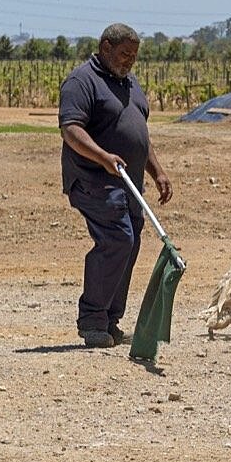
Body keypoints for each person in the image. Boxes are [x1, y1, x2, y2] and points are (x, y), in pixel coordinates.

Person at [59, 23, 173, 348]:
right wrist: (102, 157)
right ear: (105, 47)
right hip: (94, 180)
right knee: (117, 239)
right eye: (124, 54)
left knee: (131, 242)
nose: (129, 62)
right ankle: (93, 320)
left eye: (134, 57)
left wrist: (158, 172)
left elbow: (140, 136)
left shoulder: (131, 84)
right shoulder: (82, 81)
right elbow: (71, 130)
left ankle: (110, 321)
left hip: (129, 185)